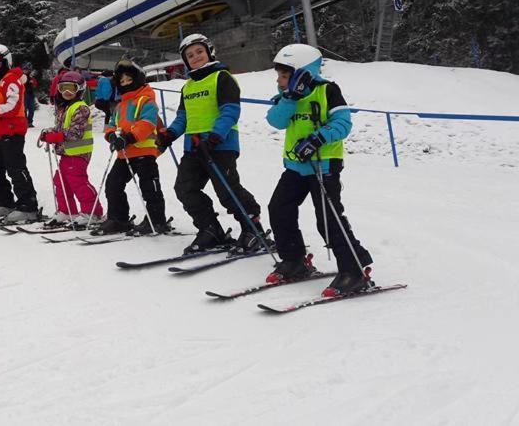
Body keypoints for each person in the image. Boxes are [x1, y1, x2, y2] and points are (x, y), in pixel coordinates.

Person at [265, 44, 374, 297]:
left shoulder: (328, 90)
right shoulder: (287, 96)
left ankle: (353, 270)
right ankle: (294, 259)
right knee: (279, 208)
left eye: (284, 75)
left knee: (328, 218)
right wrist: (290, 97)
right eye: (278, 75)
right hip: (296, 166)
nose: (279, 81)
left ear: (303, 72)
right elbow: (276, 121)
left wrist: (317, 139)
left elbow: (343, 124)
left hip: (324, 165)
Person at [156, 34, 267, 255]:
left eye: (199, 52)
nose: (195, 57)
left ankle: (253, 229)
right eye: (190, 55)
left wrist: (215, 137)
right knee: (185, 189)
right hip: (194, 147)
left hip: (220, 145)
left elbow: (230, 111)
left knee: (227, 190)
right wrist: (170, 134)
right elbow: (182, 118)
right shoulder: (188, 87)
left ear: (209, 52)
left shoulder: (222, 77)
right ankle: (210, 229)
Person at [99, 60, 169, 235]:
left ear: (137, 79)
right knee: (113, 184)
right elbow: (111, 124)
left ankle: (156, 220)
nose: (124, 84)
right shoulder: (120, 105)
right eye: (121, 81)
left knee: (149, 187)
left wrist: (129, 137)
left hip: (145, 152)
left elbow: (146, 123)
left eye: (128, 80)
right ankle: (118, 219)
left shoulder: (146, 100)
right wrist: (112, 135)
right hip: (124, 154)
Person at [0, 44, 39, 223]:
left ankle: (29, 205)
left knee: (16, 168)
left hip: (13, 133)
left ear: (6, 62)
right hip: (1, 134)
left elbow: (12, 106)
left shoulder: (11, 80)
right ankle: (4, 202)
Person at [39, 71, 104, 227]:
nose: (67, 92)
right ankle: (67, 210)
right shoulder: (64, 108)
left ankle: (93, 212)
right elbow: (61, 128)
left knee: (78, 182)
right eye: (63, 88)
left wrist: (56, 137)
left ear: (80, 90)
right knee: (61, 182)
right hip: (67, 153)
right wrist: (50, 132)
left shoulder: (81, 108)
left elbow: (75, 132)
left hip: (78, 153)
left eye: (71, 88)